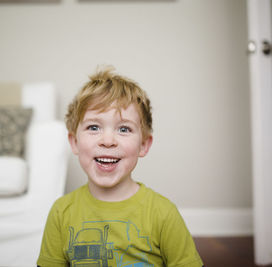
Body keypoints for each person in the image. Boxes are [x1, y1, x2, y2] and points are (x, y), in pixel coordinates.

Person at [37, 66, 203, 267]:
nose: (108, 140)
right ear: (74, 142)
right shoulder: (61, 213)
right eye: (93, 127)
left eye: (124, 129)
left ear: (143, 145)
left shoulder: (163, 214)